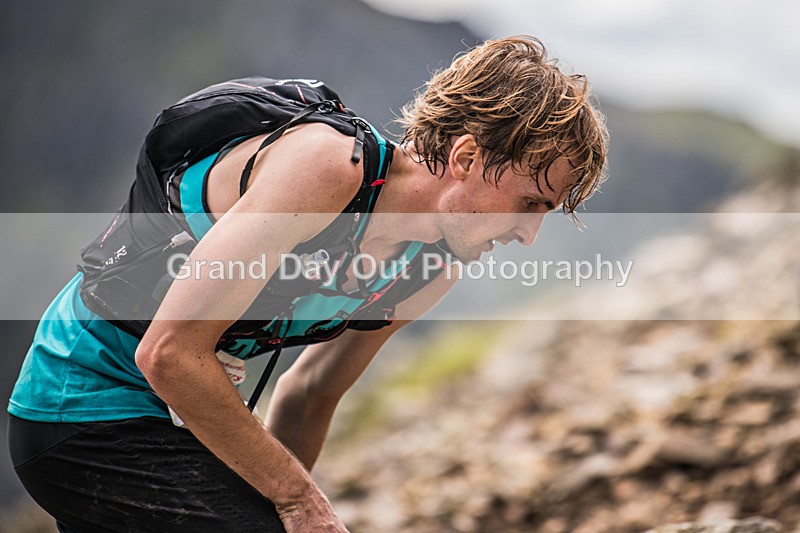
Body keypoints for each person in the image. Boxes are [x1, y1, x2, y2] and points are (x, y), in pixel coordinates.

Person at [7, 35, 608, 532]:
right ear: (469, 157)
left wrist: (293, 510)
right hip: (78, 405)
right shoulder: (323, 169)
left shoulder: (431, 266)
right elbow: (169, 354)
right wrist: (296, 502)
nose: (529, 235)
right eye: (530, 202)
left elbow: (312, 390)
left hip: (169, 425)